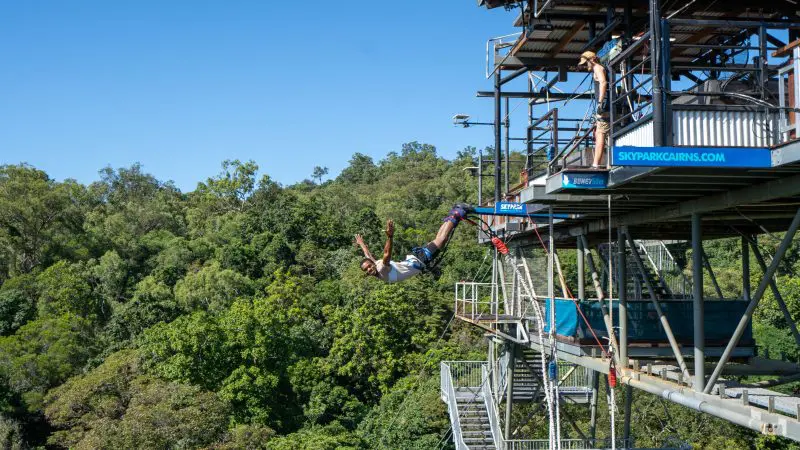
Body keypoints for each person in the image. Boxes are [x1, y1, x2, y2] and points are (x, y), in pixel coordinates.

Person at [355, 205, 470, 283]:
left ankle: (457, 213)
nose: (369, 269)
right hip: (415, 259)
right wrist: (362, 245)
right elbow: (369, 256)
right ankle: (452, 215)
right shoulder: (380, 272)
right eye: (367, 270)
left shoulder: (382, 270)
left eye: (369, 266)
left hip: (419, 260)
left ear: (372, 264)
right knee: (439, 239)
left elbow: (384, 255)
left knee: (442, 239)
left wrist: (388, 237)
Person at [578, 50, 609, 169]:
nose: (586, 65)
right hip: (606, 106)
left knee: (600, 134)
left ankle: (596, 164)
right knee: (602, 134)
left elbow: (602, 82)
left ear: (591, 60)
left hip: (604, 107)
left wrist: (600, 102)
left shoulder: (597, 68)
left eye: (586, 63)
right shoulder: (601, 68)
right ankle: (606, 163)